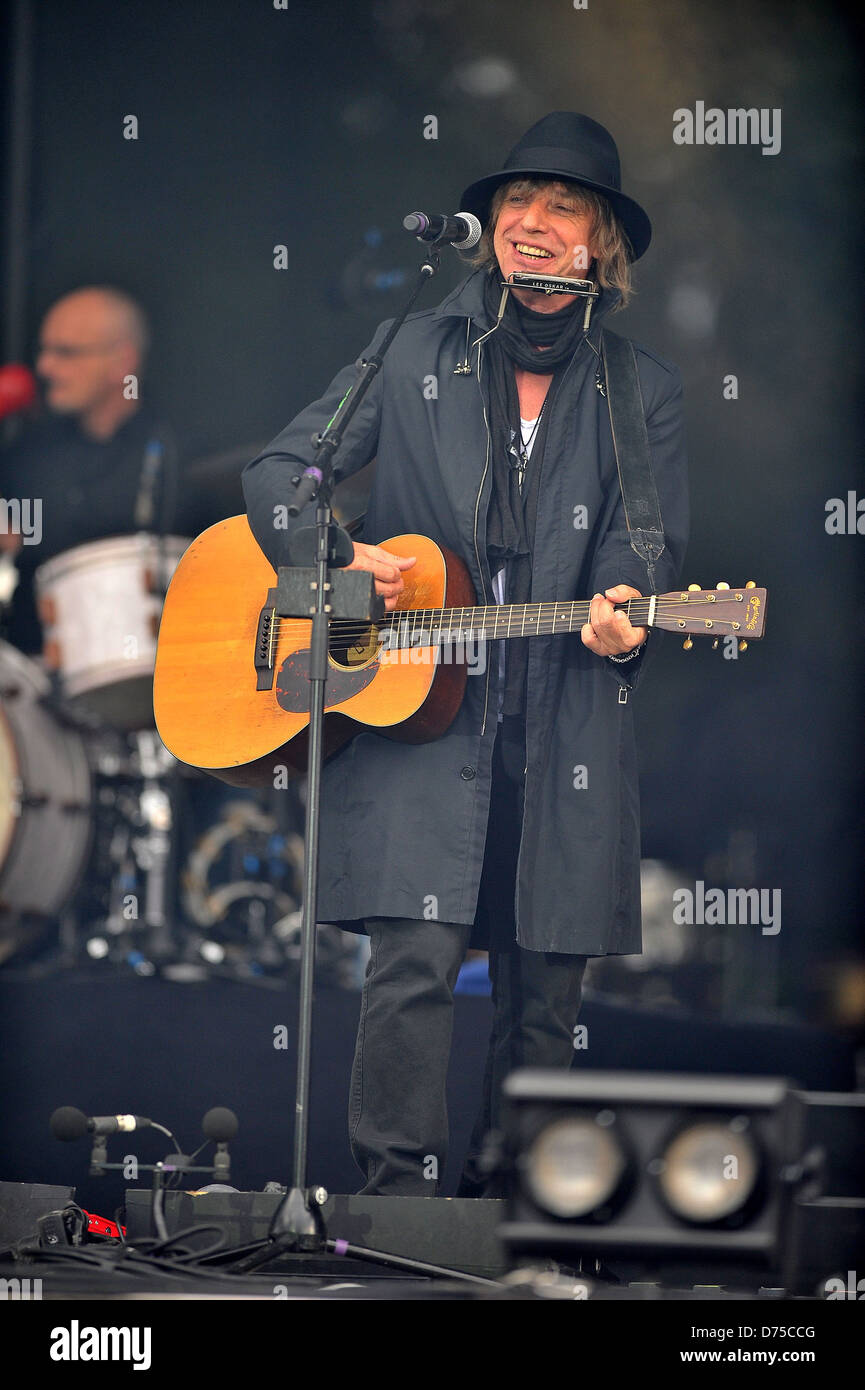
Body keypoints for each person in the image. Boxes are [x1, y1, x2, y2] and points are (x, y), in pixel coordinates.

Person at [242, 112, 689, 1197]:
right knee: (412, 960)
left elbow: (646, 550)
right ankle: (395, 1212)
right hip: (416, 715)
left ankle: (518, 1215)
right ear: (487, 227)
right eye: (514, 203)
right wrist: (343, 561)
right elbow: (280, 476)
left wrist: (625, 610)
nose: (531, 223)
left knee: (545, 989)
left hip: (567, 714)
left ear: (600, 243)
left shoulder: (642, 389)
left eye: (562, 206)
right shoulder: (408, 349)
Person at [0, 285, 178, 652]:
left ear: (121, 362)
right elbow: (20, 531)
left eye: (65, 352)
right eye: (44, 350)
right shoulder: (28, 451)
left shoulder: (174, 452)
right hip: (30, 672)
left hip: (149, 666)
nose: (44, 366)